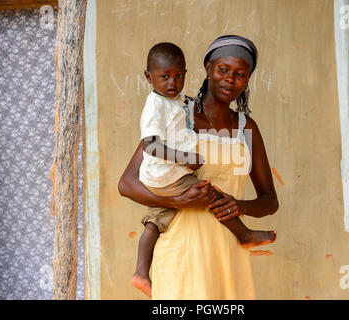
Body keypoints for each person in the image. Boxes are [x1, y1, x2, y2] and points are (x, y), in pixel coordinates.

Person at [119, 35, 279, 299]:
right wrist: (180, 201)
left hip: (228, 253)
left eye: (240, 74)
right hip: (179, 253)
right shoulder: (176, 112)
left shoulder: (247, 128)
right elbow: (127, 184)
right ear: (208, 68)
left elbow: (270, 201)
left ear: (248, 80)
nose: (230, 79)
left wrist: (241, 206)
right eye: (223, 70)